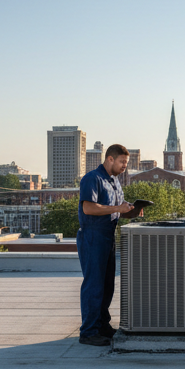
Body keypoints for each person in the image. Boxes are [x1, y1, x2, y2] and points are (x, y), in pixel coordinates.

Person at [76, 143, 143, 345]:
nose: (125, 166)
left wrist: (132, 210)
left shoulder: (114, 181)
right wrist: (117, 207)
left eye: (126, 162)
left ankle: (102, 326)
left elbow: (116, 210)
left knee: (107, 285)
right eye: (122, 162)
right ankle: (88, 332)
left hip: (108, 235)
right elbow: (89, 208)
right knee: (93, 285)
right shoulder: (92, 178)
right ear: (110, 159)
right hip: (92, 236)